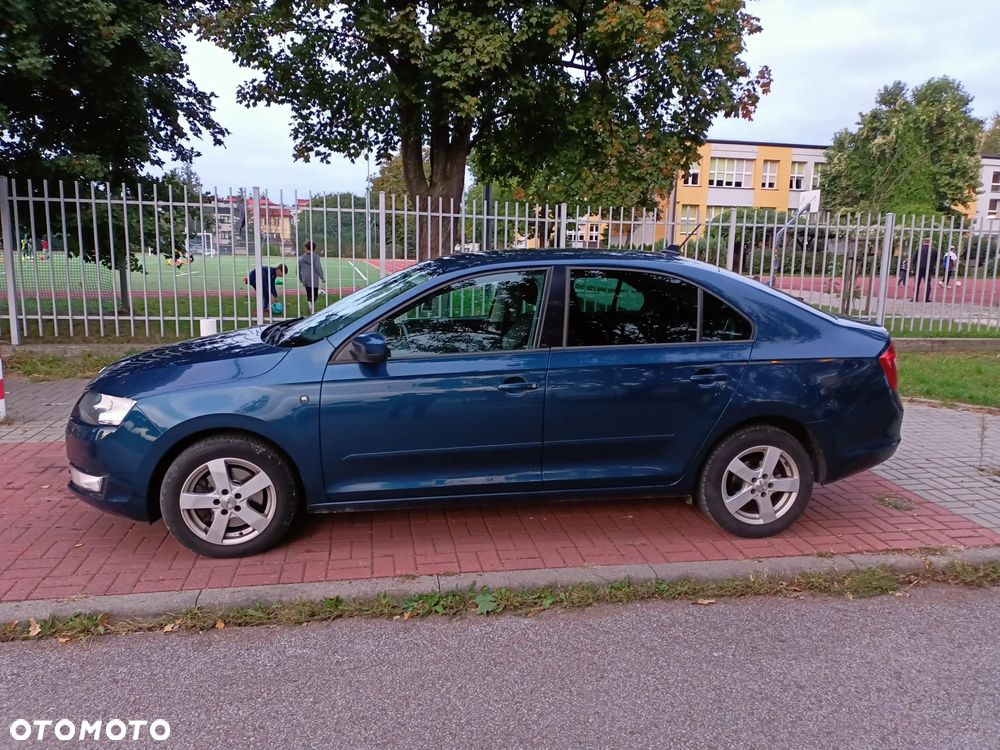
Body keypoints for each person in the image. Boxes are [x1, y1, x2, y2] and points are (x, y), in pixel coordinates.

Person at [297, 242, 326, 314]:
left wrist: (301, 278)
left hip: (305, 278)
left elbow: (297, 270)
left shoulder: (301, 258)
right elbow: (318, 267)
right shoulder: (316, 257)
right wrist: (322, 277)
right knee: (315, 294)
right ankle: (311, 307)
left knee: (309, 292)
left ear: (306, 248)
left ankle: (310, 305)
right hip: (314, 278)